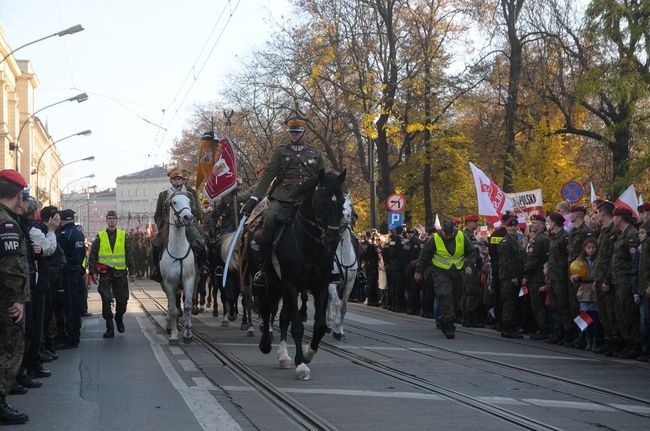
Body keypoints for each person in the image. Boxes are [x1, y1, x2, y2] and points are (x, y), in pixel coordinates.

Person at [240, 118, 325, 282]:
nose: (294, 134)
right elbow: (268, 176)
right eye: (292, 132)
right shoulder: (280, 151)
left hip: (308, 197)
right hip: (283, 196)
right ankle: (264, 267)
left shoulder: (316, 153)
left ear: (304, 133)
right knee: (270, 218)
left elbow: (323, 178)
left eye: (297, 132)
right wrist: (253, 198)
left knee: (328, 223)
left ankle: (329, 267)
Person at [0, 169, 30, 425]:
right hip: (5, 300)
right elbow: (11, 267)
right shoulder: (7, 223)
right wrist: (17, 300)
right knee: (9, 351)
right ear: (19, 194)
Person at [414, 219, 475, 339]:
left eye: (450, 233)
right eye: (446, 233)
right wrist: (418, 271)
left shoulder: (461, 236)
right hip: (440, 272)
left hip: (457, 271)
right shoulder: (435, 238)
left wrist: (468, 265)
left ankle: (444, 317)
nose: (448, 236)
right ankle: (448, 325)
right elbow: (424, 256)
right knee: (445, 295)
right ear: (442, 230)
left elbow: (471, 252)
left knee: (456, 297)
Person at [151, 168, 209, 282]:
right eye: (175, 179)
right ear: (171, 181)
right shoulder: (163, 195)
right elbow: (157, 214)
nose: (177, 181)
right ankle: (157, 270)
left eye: (179, 179)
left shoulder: (190, 193)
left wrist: (188, 214)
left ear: (183, 181)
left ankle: (203, 266)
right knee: (156, 245)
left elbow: (197, 211)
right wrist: (161, 225)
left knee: (200, 243)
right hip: (169, 226)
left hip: (188, 225)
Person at [88, 210, 136, 338]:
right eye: (109, 218)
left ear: (117, 220)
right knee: (106, 299)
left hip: (120, 273)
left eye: (113, 218)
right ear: (106, 220)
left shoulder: (123, 235)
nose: (111, 220)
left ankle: (119, 317)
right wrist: (92, 272)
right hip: (105, 273)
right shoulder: (100, 236)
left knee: (123, 300)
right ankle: (109, 327)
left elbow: (129, 254)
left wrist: (132, 271)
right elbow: (93, 255)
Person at [611, 207, 641, 359]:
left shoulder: (632, 235)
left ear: (620, 218)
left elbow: (634, 261)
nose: (613, 219)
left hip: (627, 281)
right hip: (618, 280)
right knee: (621, 313)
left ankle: (634, 344)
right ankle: (626, 342)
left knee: (629, 313)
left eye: (615, 217)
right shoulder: (621, 234)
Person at [592, 200, 620, 355]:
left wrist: (607, 279)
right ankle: (608, 340)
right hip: (600, 277)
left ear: (603, 213)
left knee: (611, 313)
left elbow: (612, 259)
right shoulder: (603, 231)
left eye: (597, 212)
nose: (596, 215)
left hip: (608, 278)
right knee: (603, 313)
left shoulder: (614, 231)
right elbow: (600, 257)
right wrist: (597, 279)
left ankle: (615, 341)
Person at [56, 209, 86, 349]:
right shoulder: (78, 234)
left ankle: (71, 338)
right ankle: (76, 336)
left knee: (69, 307)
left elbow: (58, 255)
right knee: (75, 305)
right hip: (78, 273)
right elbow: (83, 253)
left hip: (67, 274)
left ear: (62, 220)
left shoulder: (63, 235)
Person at [570, 237, 601, 351]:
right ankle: (587, 339)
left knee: (595, 318)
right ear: (585, 248)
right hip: (583, 291)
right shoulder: (580, 260)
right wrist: (574, 278)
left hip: (594, 291)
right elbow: (573, 274)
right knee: (584, 317)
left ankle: (595, 341)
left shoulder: (598, 260)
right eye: (589, 247)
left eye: (593, 247)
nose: (591, 250)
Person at [523, 213, 550, 340]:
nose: (531, 225)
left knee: (537, 304)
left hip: (536, 277)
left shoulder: (539, 240)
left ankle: (543, 328)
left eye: (534, 223)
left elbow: (532, 260)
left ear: (541, 225)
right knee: (537, 304)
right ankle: (542, 327)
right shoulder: (542, 238)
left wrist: (526, 275)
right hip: (539, 275)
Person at [498, 216, 525, 338]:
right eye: (510, 226)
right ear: (506, 227)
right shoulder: (505, 242)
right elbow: (506, 262)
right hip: (508, 278)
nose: (513, 228)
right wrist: (512, 276)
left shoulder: (516, 241)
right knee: (509, 302)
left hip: (516, 277)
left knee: (514, 302)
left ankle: (511, 326)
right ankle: (507, 328)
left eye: (515, 226)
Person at [547, 212, 571, 345]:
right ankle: (558, 332)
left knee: (563, 306)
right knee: (555, 306)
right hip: (554, 277)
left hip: (561, 277)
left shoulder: (564, 237)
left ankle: (567, 332)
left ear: (554, 222)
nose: (548, 224)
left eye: (550, 221)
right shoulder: (554, 237)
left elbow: (568, 257)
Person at [462, 215, 483, 327]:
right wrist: (467, 266)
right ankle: (470, 319)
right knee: (472, 293)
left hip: (473, 267)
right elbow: (466, 253)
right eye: (474, 222)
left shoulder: (471, 236)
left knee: (470, 293)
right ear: (468, 222)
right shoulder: (466, 235)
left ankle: (467, 318)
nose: (476, 223)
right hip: (470, 268)